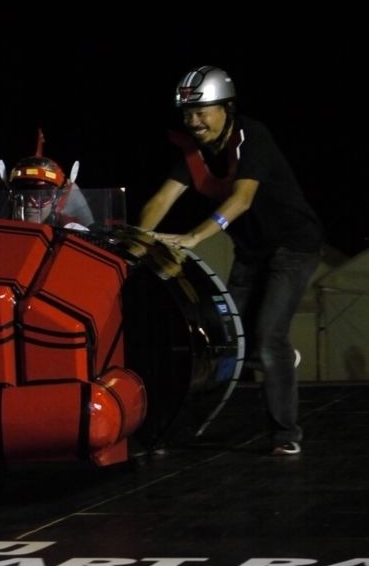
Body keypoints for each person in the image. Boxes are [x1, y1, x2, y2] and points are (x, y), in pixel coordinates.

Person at [137, 64, 323, 457]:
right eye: (188, 114)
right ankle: (173, 429)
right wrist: (137, 245)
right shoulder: (194, 152)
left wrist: (194, 237)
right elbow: (160, 201)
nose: (194, 121)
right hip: (252, 253)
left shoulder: (253, 137)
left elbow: (241, 199)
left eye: (202, 111)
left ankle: (284, 433)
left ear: (228, 108)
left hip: (293, 247)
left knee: (269, 336)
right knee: (223, 340)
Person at [7, 155, 94, 229]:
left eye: (43, 194)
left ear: (57, 198)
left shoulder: (71, 234)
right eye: (22, 192)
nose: (30, 203)